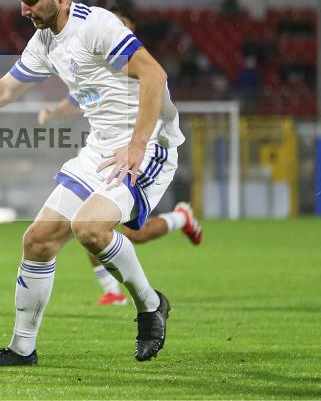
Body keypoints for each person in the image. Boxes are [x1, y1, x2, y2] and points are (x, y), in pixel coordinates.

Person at [0, 0, 184, 365]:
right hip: (100, 148)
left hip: (145, 145)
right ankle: (22, 349)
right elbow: (6, 89)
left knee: (90, 228)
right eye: (21, 2)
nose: (25, 11)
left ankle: (150, 306)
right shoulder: (44, 40)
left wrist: (136, 145)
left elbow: (155, 76)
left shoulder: (96, 25)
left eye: (32, 1)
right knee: (37, 241)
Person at [38, 95, 201, 306]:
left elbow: (153, 88)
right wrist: (53, 114)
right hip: (98, 156)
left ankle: (181, 217)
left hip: (132, 154)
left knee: (136, 234)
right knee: (87, 221)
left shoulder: (128, 71)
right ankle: (112, 292)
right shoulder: (87, 70)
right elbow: (74, 100)